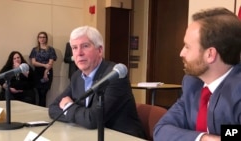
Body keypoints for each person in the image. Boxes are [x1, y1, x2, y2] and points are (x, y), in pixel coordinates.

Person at [153, 7, 241, 141]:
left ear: (210, 54)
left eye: (187, 47)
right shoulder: (192, 83)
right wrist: (203, 139)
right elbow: (162, 129)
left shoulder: (237, 89)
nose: (181, 53)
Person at [48, 26, 146, 139]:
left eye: (85, 46)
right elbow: (53, 109)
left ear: (100, 50)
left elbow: (93, 119)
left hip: (122, 137)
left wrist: (67, 106)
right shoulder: (77, 76)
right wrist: (81, 117)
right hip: (91, 136)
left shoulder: (114, 76)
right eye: (74, 48)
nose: (79, 53)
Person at [29, 31, 57, 107]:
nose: (42, 39)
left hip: (47, 72)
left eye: (44, 37)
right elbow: (34, 63)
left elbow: (50, 63)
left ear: (46, 39)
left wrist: (45, 72)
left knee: (44, 93)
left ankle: (42, 110)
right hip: (37, 72)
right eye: (40, 37)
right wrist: (44, 65)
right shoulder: (34, 50)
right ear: (38, 39)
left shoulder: (51, 49)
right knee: (38, 93)